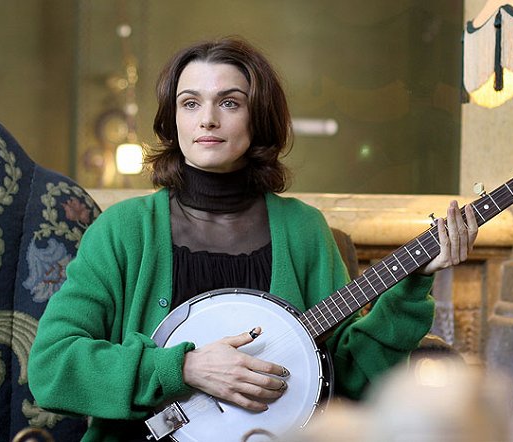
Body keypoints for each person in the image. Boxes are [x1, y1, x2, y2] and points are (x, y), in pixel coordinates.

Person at [28, 37, 478, 441]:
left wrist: (412, 285)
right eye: (190, 103)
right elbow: (52, 367)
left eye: (229, 103)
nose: (207, 119)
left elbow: (355, 381)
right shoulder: (124, 230)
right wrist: (183, 368)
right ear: (172, 120)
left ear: (257, 118)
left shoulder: (304, 231)